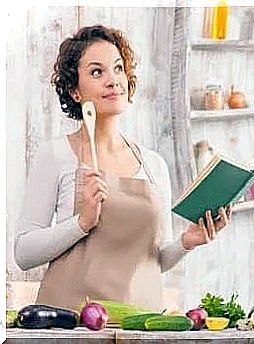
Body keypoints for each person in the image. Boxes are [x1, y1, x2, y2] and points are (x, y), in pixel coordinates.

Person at [14, 25, 232, 311]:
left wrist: (187, 242)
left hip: (139, 326)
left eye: (118, 68)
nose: (113, 80)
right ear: (74, 91)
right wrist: (82, 223)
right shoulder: (56, 155)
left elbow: (154, 260)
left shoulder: (153, 165)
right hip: (71, 324)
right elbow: (23, 252)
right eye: (96, 72)